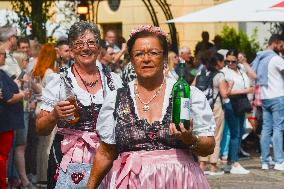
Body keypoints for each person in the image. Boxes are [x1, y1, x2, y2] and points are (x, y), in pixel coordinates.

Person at [86, 25, 215, 189]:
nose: (146, 59)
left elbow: (208, 147)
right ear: (131, 60)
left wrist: (190, 139)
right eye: (139, 54)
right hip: (132, 183)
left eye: (153, 53)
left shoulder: (187, 94)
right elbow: (105, 152)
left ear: (165, 58)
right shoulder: (116, 98)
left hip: (180, 181)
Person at [36, 21, 122, 189]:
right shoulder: (58, 81)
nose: (85, 48)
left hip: (107, 154)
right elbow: (40, 129)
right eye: (79, 43)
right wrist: (54, 115)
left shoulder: (114, 81)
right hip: (69, 156)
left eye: (91, 42)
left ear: (98, 47)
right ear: (72, 49)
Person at [193, 52, 229, 175]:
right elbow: (224, 94)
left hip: (201, 108)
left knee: (202, 133)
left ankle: (202, 164)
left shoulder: (199, 74)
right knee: (216, 135)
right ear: (217, 62)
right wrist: (230, 87)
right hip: (216, 107)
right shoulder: (220, 75)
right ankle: (213, 166)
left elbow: (192, 88)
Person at [252, 34, 284, 171]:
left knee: (266, 129)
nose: (282, 47)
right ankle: (279, 161)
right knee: (278, 128)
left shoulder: (260, 58)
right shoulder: (276, 58)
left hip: (265, 97)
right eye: (281, 45)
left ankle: (265, 161)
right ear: (275, 43)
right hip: (277, 96)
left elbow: (252, 73)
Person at [0, 43, 29, 189]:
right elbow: (9, 97)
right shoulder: (2, 73)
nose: (5, 57)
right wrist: (23, 94)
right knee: (4, 155)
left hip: (8, 120)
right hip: (5, 121)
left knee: (6, 154)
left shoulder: (3, 73)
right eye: (3, 55)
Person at [223, 50, 253, 174]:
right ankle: (234, 162)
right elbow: (227, 92)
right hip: (231, 103)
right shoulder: (225, 72)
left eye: (233, 61)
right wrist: (246, 90)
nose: (230, 63)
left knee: (240, 131)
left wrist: (244, 62)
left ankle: (232, 161)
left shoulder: (241, 69)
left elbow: (253, 75)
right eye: (228, 61)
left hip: (241, 103)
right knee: (235, 132)